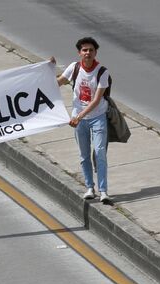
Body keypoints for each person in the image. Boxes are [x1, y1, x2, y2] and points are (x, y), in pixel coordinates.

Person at [54, 37, 111, 203]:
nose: (88, 53)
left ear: (95, 52)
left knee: (100, 152)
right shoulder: (74, 68)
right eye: (84, 50)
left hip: (97, 116)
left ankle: (103, 191)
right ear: (79, 52)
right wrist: (48, 68)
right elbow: (59, 82)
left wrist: (79, 116)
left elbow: (96, 100)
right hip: (79, 119)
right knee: (84, 155)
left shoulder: (102, 72)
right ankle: (89, 188)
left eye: (91, 50)